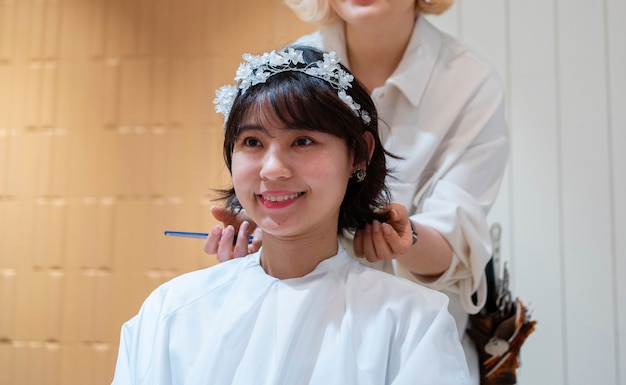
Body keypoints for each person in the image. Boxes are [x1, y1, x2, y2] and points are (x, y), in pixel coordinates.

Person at [203, 0, 510, 383]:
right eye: (256, 142)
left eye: (303, 141)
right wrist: (260, 231)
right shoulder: (292, 69)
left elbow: (457, 239)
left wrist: (402, 238)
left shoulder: (469, 84)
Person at [111, 46, 471, 385]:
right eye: (252, 142)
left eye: (302, 141)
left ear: (359, 154)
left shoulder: (412, 322)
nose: (272, 169)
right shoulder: (171, 311)